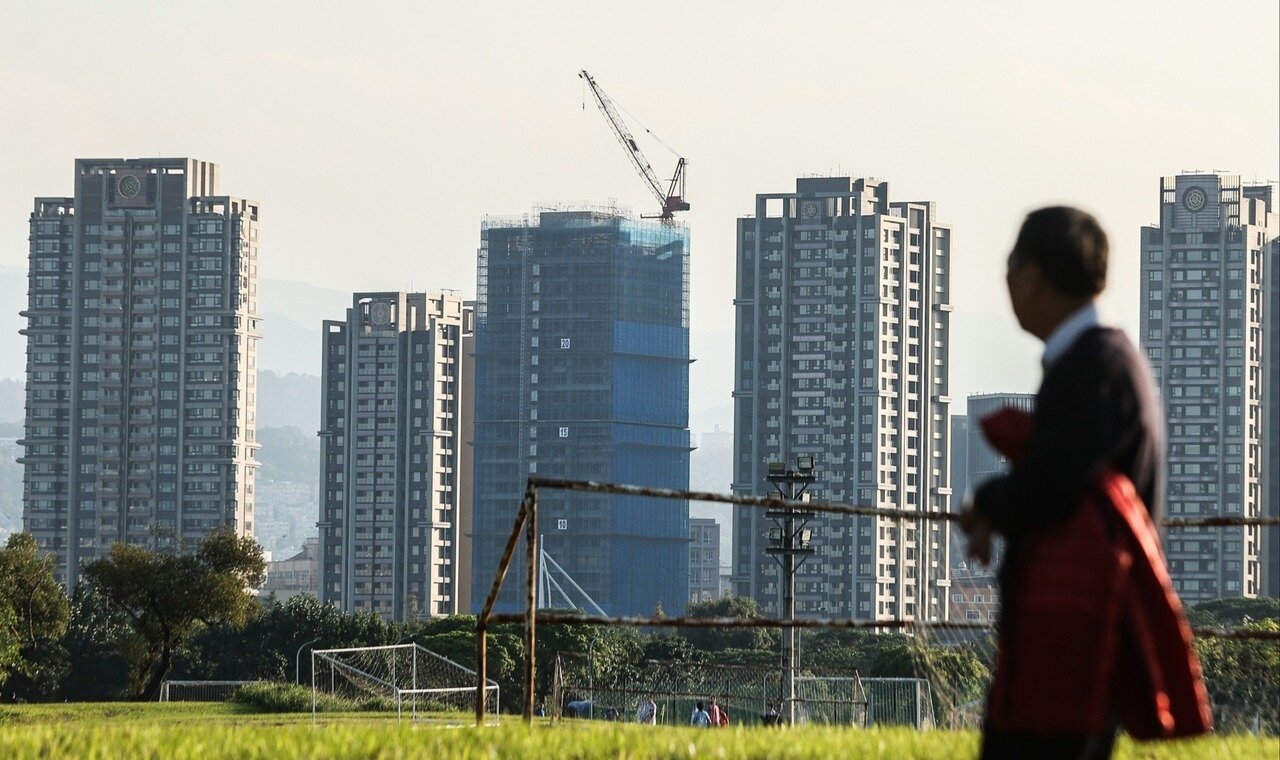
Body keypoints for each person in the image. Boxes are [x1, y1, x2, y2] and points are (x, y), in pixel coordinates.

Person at [960, 206, 1209, 759]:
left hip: (1073, 633)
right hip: (1082, 623)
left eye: (1009, 270)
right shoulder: (1108, 359)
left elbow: (1055, 484)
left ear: (1031, 278)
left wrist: (989, 503)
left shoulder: (1091, 368)